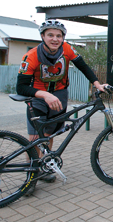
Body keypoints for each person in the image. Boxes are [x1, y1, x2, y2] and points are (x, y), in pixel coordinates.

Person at [17, 19, 107, 192]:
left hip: (59, 96)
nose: (55, 39)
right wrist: (44, 94)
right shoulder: (31, 56)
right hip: (38, 97)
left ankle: (45, 167)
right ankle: (30, 176)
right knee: (35, 138)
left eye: (59, 36)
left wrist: (97, 84)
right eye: (50, 35)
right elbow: (21, 87)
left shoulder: (66, 49)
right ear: (42, 36)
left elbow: (83, 66)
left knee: (49, 134)